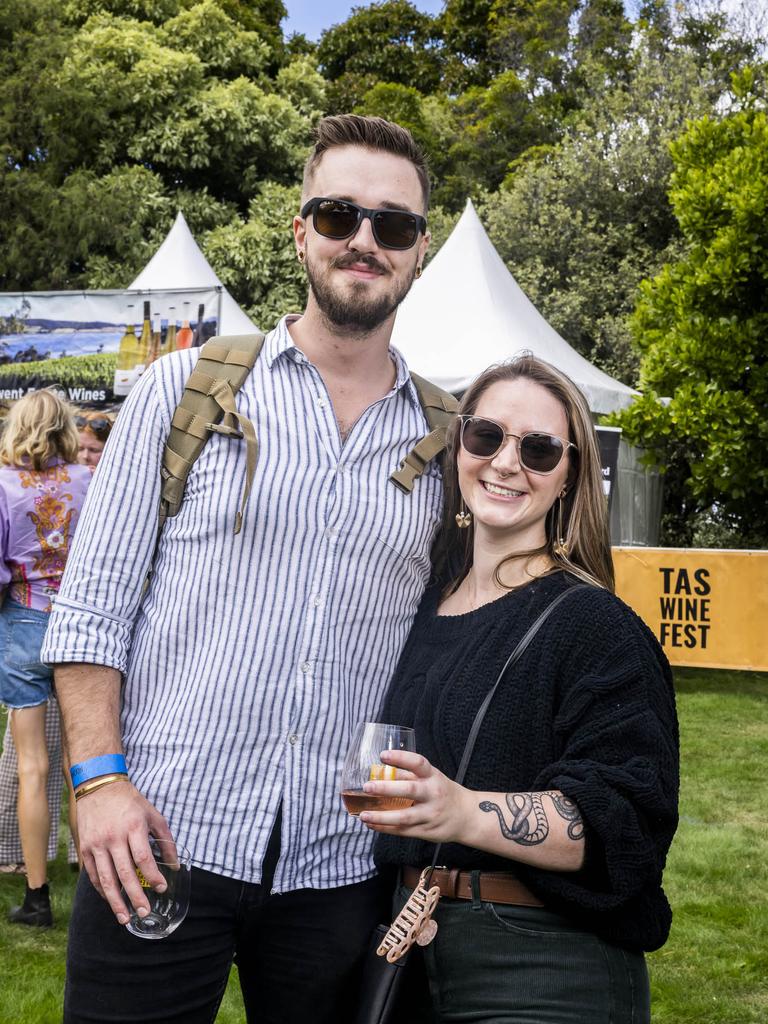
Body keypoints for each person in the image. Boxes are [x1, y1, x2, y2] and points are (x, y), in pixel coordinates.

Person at [42, 115, 443, 1023]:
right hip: (157, 837)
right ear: (301, 232)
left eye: (395, 225)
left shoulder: (448, 441)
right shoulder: (182, 392)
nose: (365, 241)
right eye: (340, 216)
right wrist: (99, 783)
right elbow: (92, 610)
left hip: (341, 859)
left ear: (420, 249)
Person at [365, 356, 680, 1023]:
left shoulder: (593, 624)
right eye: (487, 436)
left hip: (545, 968)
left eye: (538, 449)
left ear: (569, 475)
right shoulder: (420, 607)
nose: (507, 462)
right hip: (405, 953)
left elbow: (626, 823)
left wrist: (462, 812)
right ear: (459, 448)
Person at [0, 410, 113, 876]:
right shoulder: (88, 478)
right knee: (81, 768)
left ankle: (36, 893)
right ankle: (92, 878)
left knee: (32, 766)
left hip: (24, 622)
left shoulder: (4, 485)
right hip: (76, 624)